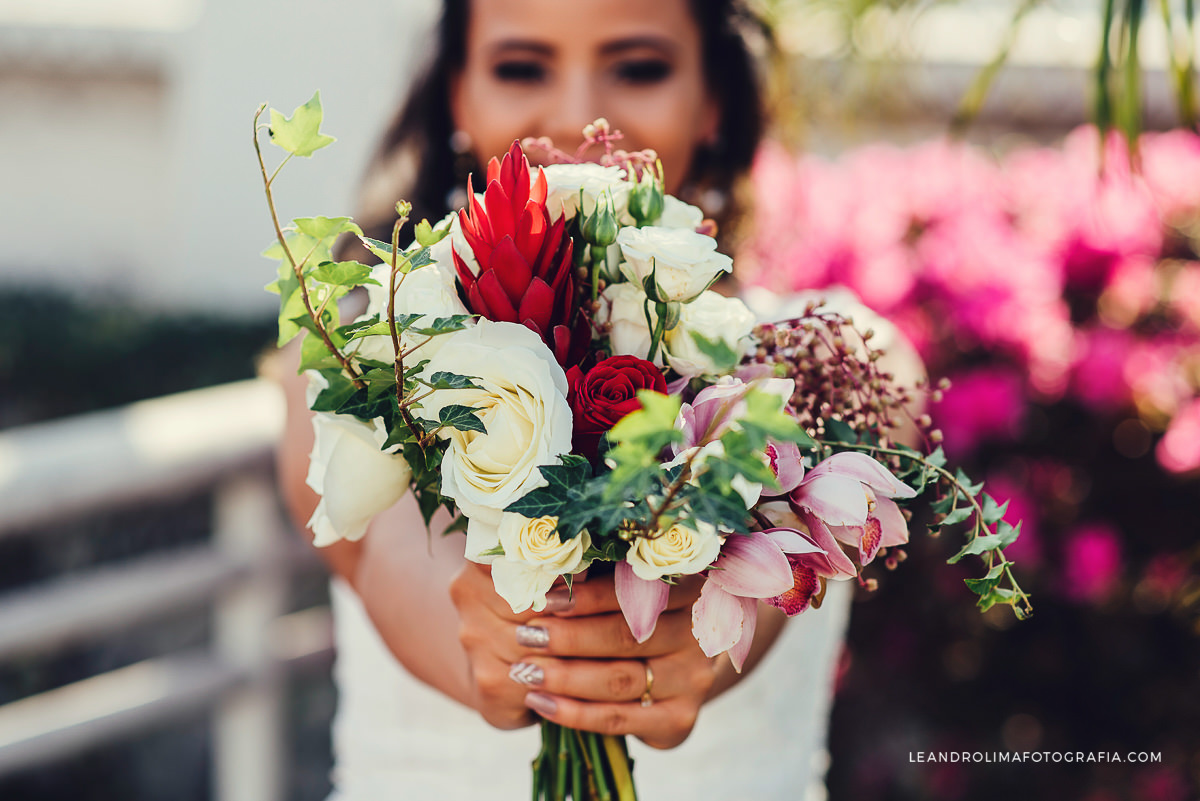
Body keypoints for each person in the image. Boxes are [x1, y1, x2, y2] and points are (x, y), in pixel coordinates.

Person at [275, 1, 867, 797]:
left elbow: (812, 489)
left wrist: (718, 615)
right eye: (522, 67)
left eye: (639, 67)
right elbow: (385, 546)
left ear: (715, 100)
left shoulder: (836, 359)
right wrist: (500, 655)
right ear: (459, 95)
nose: (578, 114)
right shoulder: (348, 361)